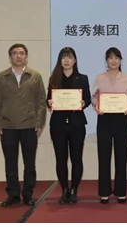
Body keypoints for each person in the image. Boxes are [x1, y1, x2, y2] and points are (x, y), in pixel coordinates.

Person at [0, 43, 47, 208]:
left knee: (30, 164)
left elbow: (41, 101)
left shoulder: (35, 76)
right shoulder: (1, 77)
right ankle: (13, 194)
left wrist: (39, 122)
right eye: (14, 53)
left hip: (29, 126)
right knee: (10, 164)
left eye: (21, 53)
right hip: (7, 127)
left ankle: (28, 194)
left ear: (26, 57)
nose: (18, 56)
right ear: (10, 57)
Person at [91, 47, 127, 203]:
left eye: (116, 58)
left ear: (120, 60)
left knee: (121, 156)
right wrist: (97, 105)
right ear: (106, 60)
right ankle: (104, 192)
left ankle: (121, 191)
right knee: (104, 156)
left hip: (121, 120)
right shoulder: (99, 78)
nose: (113, 61)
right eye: (110, 58)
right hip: (104, 120)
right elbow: (94, 97)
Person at [47, 47, 91, 205]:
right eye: (63, 57)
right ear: (60, 60)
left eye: (69, 57)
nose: (66, 60)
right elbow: (48, 99)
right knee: (61, 158)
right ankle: (64, 189)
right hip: (58, 124)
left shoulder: (82, 78)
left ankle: (74, 190)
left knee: (76, 158)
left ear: (75, 60)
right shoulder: (54, 79)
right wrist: (49, 102)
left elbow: (87, 98)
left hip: (76, 123)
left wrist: (83, 103)